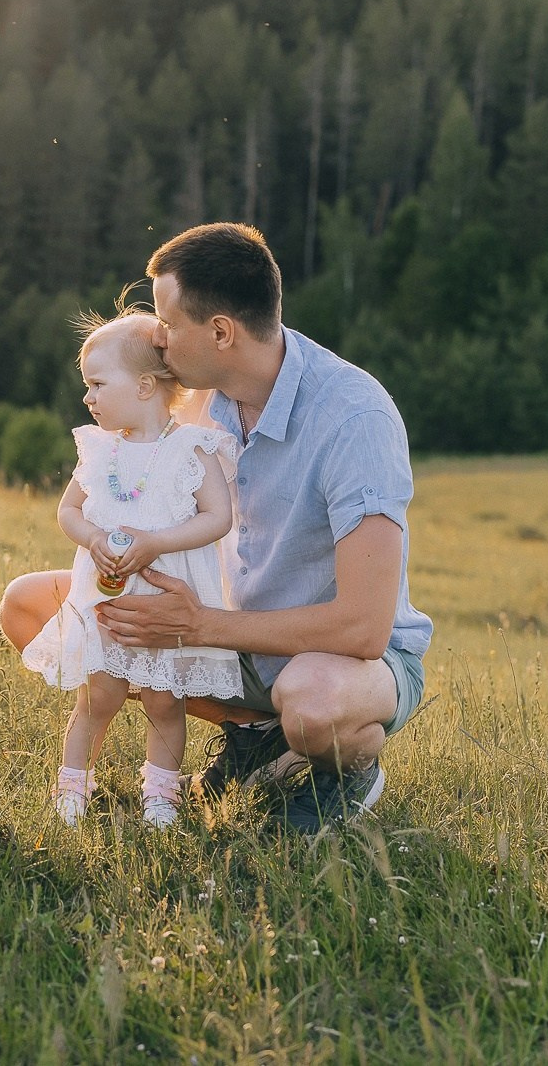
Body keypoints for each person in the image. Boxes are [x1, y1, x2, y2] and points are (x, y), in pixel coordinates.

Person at [100, 222, 432, 833]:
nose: (157, 336)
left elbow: (364, 628)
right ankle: (255, 736)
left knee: (313, 702)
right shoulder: (198, 395)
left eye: (167, 322)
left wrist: (201, 624)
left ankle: (348, 771)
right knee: (37, 610)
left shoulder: (355, 417)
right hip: (238, 642)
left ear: (221, 332)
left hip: (344, 661)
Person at [6, 310, 242, 828]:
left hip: (164, 605)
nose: (87, 398)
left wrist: (157, 540)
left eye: (96, 384)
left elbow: (218, 518)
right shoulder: (99, 450)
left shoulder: (190, 448)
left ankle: (160, 796)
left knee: (163, 703)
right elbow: (68, 510)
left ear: (142, 385)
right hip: (105, 600)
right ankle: (72, 788)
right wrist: (92, 538)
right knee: (99, 697)